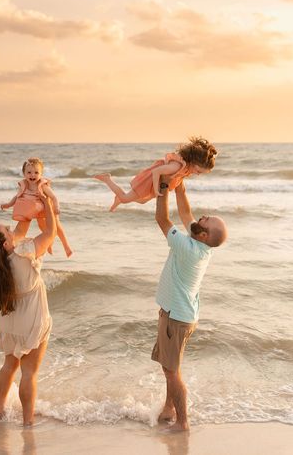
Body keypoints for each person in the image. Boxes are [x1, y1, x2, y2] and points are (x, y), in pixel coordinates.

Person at [152, 175, 227, 431]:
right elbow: (185, 211)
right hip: (179, 313)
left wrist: (162, 188)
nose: (201, 217)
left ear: (205, 234)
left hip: (177, 317)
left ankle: (183, 422)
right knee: (168, 368)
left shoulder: (189, 248)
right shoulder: (199, 243)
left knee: (172, 372)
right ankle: (169, 408)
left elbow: (162, 220)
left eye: (205, 220)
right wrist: (180, 184)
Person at [0, 193, 56, 426]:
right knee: (29, 372)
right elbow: (50, 234)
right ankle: (28, 422)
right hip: (31, 321)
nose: (13, 232)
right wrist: (49, 203)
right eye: (8, 232)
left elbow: (21, 230)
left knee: (9, 365)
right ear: (6, 244)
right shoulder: (26, 254)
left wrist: (28, 199)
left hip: (9, 321)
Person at [94, 137, 217, 212]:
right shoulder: (177, 166)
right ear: (194, 162)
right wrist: (157, 190)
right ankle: (107, 179)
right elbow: (156, 171)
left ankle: (118, 200)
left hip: (155, 183)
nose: (198, 174)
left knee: (142, 201)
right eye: (199, 171)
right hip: (150, 181)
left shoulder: (187, 168)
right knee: (126, 198)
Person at [0, 157, 72, 257]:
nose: (32, 175)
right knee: (42, 226)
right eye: (29, 172)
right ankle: (48, 244)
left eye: (36, 172)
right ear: (24, 174)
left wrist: (56, 207)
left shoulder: (42, 186)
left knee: (56, 225)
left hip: (47, 208)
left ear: (41, 174)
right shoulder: (24, 185)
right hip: (35, 209)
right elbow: (17, 197)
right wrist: (8, 205)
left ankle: (66, 246)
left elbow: (53, 197)